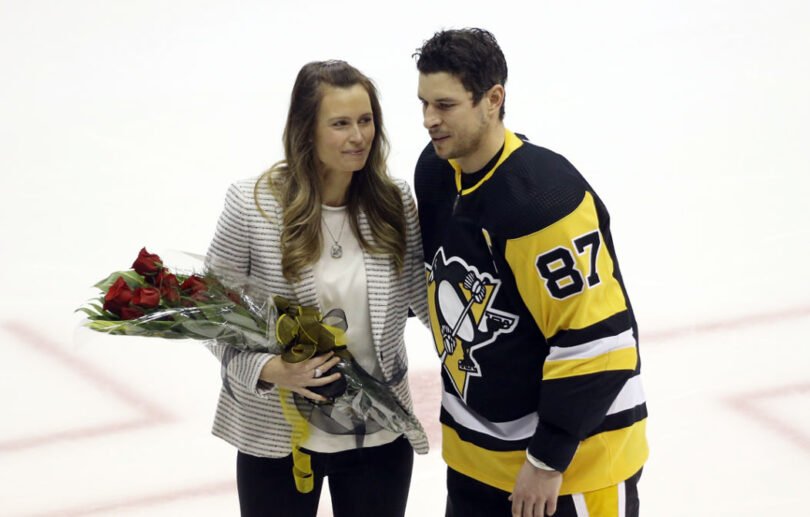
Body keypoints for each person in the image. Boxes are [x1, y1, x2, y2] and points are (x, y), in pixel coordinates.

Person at [413, 28, 649, 517]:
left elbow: (599, 344)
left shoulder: (543, 201)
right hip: (476, 460)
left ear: (493, 99)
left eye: (445, 105)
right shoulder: (437, 172)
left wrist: (547, 459)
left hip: (569, 470)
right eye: (424, 104)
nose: (429, 120)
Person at [204, 60, 430, 517]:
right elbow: (210, 317)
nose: (358, 136)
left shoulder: (394, 202)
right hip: (278, 440)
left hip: (380, 435)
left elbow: (426, 302)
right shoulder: (252, 205)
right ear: (306, 130)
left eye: (366, 121)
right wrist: (271, 369)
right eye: (341, 123)